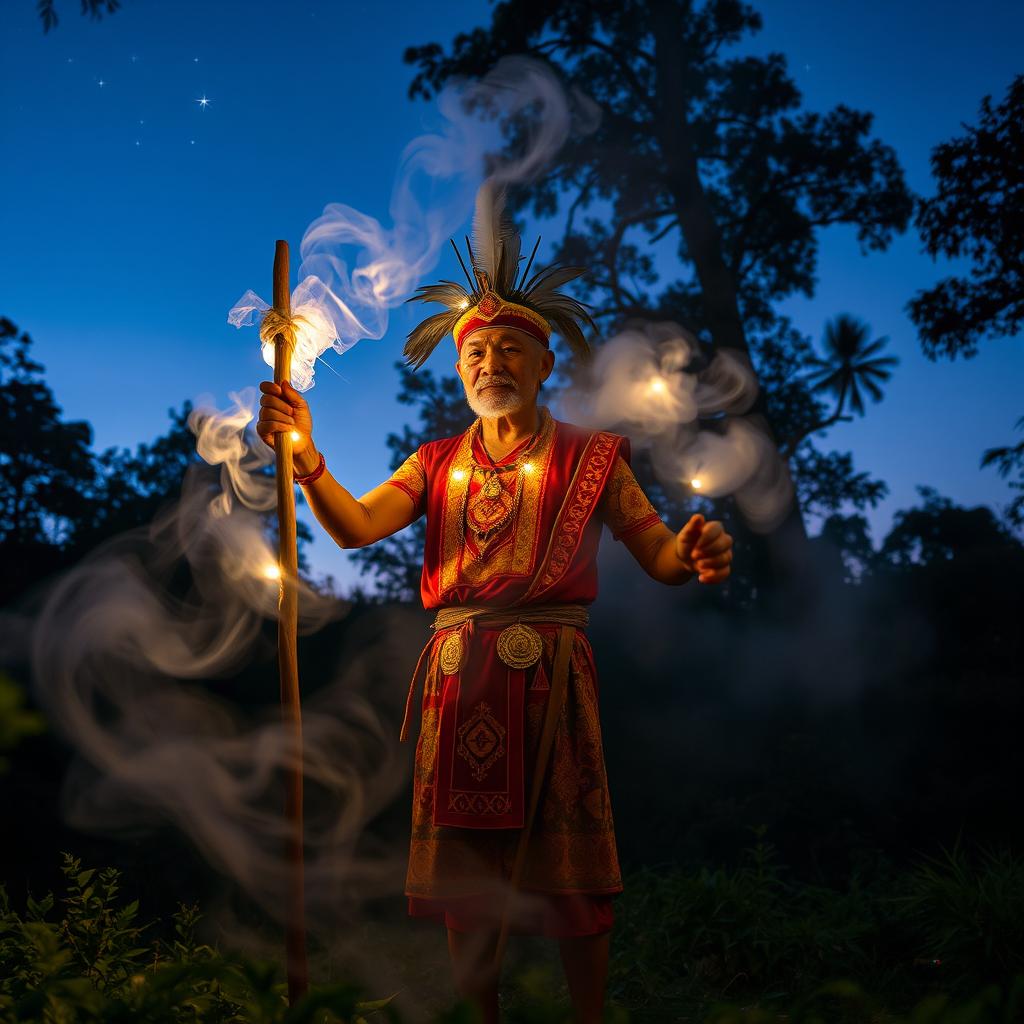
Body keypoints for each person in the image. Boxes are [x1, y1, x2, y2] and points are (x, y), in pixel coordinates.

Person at [257, 184, 734, 1024]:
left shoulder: (593, 458)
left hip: (553, 681)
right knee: (467, 886)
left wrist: (690, 553)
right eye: (476, 355)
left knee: (573, 873)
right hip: (457, 679)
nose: (491, 365)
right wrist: (306, 456)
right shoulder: (435, 460)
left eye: (511, 351)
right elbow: (358, 528)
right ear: (459, 370)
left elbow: (656, 549)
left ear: (545, 364)